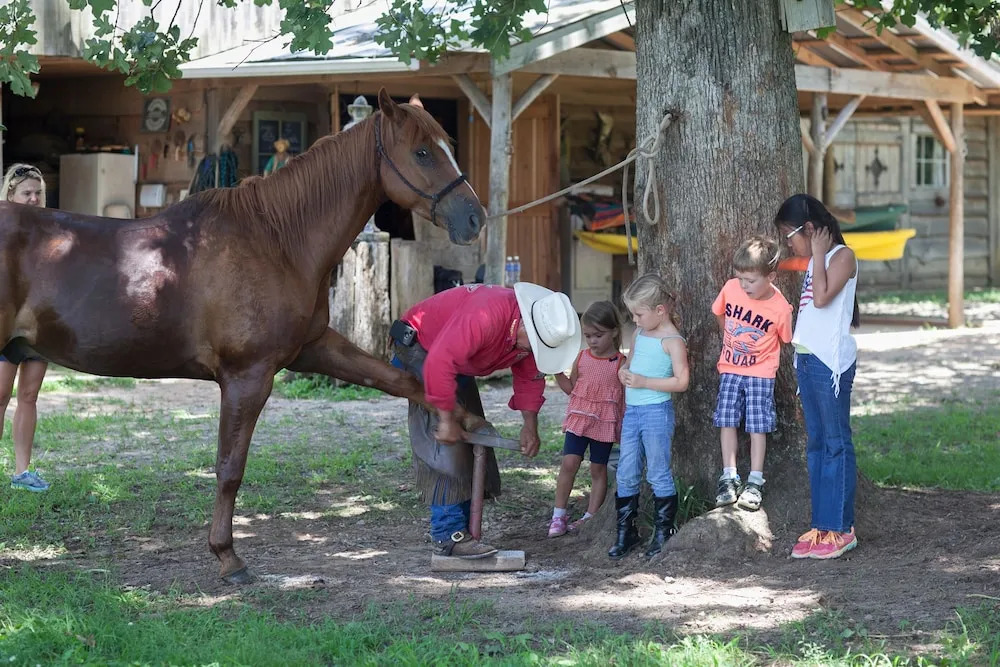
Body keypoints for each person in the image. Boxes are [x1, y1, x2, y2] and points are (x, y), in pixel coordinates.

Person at [392, 283, 581, 559]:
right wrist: (446, 418)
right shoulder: (486, 316)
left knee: (475, 430)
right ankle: (449, 535)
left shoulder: (533, 336)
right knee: (447, 442)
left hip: (454, 355)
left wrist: (530, 426)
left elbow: (529, 378)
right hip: (421, 345)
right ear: (525, 325)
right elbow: (440, 362)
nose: (533, 351)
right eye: (534, 345)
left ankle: (463, 527)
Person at [774, 193, 861, 560]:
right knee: (816, 445)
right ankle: (822, 525)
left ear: (808, 228)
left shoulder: (842, 257)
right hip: (808, 361)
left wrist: (820, 253)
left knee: (836, 443)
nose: (788, 244)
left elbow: (822, 298)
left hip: (831, 364)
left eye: (789, 235)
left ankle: (841, 528)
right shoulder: (817, 260)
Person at [609, 274, 690, 560]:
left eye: (638, 314)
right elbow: (630, 362)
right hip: (632, 413)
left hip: (656, 412)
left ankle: (663, 531)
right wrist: (624, 371)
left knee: (657, 471)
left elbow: (681, 382)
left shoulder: (673, 341)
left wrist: (644, 382)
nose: (634, 319)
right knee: (626, 470)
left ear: (660, 310)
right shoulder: (639, 334)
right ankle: (626, 531)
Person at [711, 237, 793, 512]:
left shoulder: (780, 307)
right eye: (740, 278)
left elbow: (785, 338)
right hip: (730, 367)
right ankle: (729, 477)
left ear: (771, 277)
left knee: (758, 426)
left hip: (761, 373)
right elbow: (719, 313)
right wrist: (731, 338)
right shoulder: (730, 288)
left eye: (751, 280)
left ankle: (755, 481)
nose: (744, 285)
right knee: (727, 420)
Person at [548, 301, 625, 537]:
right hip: (580, 420)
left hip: (604, 423)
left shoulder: (621, 363)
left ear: (614, 331)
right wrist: (556, 371)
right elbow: (572, 389)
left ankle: (590, 516)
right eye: (588, 336)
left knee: (598, 468)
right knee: (569, 463)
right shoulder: (582, 357)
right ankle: (558, 515)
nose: (592, 341)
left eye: (598, 335)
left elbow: (624, 399)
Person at [0, 164, 51, 492]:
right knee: (0, 395)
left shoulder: (50, 230)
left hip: (38, 325)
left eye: (38, 193)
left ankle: (22, 472)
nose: (33, 199)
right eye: (26, 193)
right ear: (10, 195)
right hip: (6, 322)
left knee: (29, 396)